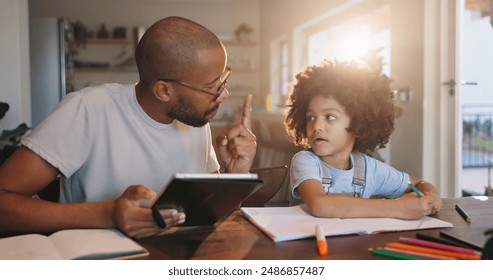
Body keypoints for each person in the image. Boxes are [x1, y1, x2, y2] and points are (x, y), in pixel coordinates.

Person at [0, 17, 256, 238]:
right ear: (164, 90)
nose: (224, 95)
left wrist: (235, 176)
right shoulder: (88, 110)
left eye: (223, 79)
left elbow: (203, 213)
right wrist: (108, 214)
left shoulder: (194, 120)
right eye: (213, 87)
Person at [284, 60, 442, 219]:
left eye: (330, 117)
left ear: (358, 123)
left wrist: (430, 197)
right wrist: (398, 208)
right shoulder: (305, 161)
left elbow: (419, 184)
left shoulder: (369, 168)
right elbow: (320, 205)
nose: (316, 125)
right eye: (310, 117)